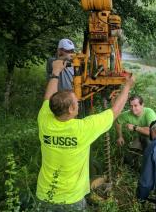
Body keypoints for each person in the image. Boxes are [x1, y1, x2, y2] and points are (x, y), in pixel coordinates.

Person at [36, 59, 135, 210]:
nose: (78, 102)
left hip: (43, 195)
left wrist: (55, 72)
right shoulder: (82, 129)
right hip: (71, 199)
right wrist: (127, 86)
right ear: (70, 110)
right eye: (76, 102)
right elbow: (114, 112)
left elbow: (48, 97)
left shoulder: (44, 120)